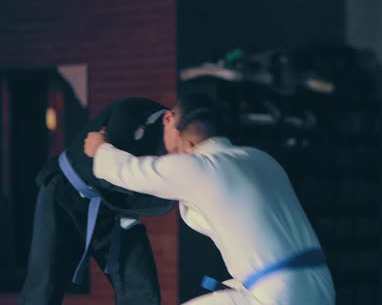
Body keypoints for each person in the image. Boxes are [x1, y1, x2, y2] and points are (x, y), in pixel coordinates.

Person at [84, 96, 336, 304]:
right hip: (321, 290)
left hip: (276, 296)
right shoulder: (261, 159)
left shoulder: (200, 167)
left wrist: (100, 149)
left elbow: (129, 172)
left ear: (169, 119)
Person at [20, 97, 182, 305]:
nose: (180, 153)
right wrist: (165, 187)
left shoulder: (178, 145)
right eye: (179, 146)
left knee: (142, 292)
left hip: (117, 209)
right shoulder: (130, 112)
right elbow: (104, 172)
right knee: (43, 291)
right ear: (168, 119)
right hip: (64, 196)